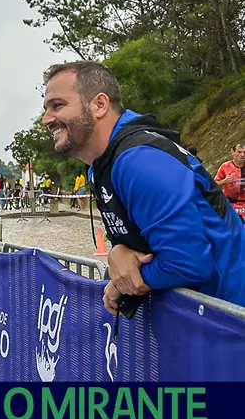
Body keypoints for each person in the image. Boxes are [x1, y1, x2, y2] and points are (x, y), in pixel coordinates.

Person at [41, 60, 245, 312]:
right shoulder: (99, 166)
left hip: (231, 317)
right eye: (46, 108)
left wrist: (120, 284)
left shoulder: (138, 160)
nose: (46, 119)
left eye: (57, 105)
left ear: (99, 105)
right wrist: (118, 250)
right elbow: (139, 237)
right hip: (200, 321)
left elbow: (188, 262)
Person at [214, 143, 245, 223]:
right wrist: (224, 181)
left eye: (244, 152)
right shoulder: (225, 166)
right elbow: (213, 184)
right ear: (233, 152)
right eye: (239, 152)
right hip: (230, 203)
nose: (242, 155)